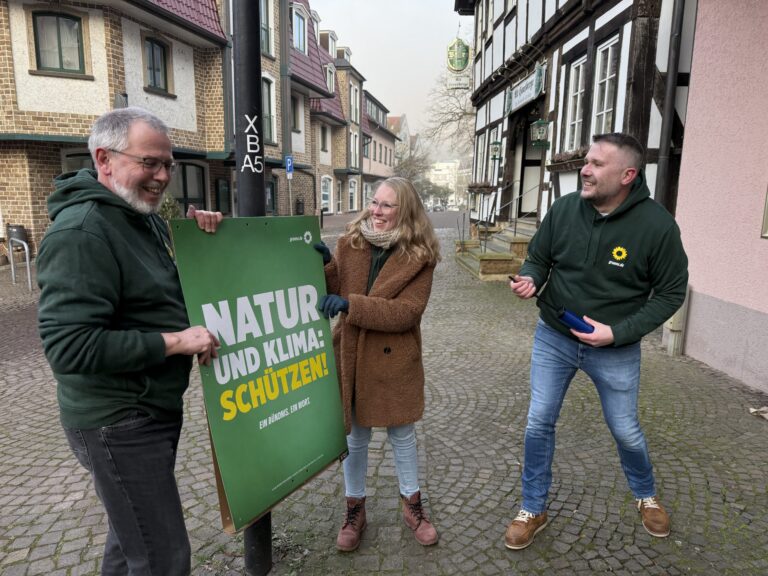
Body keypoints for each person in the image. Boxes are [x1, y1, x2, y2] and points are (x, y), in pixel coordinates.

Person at [37, 107, 222, 575]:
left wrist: (205, 241)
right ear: (104, 158)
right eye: (150, 163)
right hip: (117, 421)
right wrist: (176, 342)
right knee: (163, 559)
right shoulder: (81, 232)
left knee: (130, 537)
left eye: (169, 165)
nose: (162, 176)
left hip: (149, 409)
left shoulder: (143, 217)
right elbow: (70, 348)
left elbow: (161, 289)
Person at [506, 132, 688, 550]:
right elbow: (539, 257)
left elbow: (671, 293)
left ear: (627, 175)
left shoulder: (657, 227)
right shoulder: (565, 208)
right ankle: (533, 508)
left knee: (625, 430)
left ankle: (646, 496)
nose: (584, 170)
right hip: (554, 336)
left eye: (596, 164)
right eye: (586, 161)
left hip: (616, 350)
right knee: (538, 421)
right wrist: (531, 278)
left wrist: (618, 333)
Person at [315, 176, 441, 552]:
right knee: (355, 438)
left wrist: (352, 306)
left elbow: (406, 312)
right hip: (352, 352)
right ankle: (355, 509)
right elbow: (336, 289)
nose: (377, 211)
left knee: (402, 436)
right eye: (374, 202)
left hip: (394, 358)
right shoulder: (351, 242)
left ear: (406, 211)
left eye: (387, 205)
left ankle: (412, 505)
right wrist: (326, 267)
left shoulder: (421, 255)